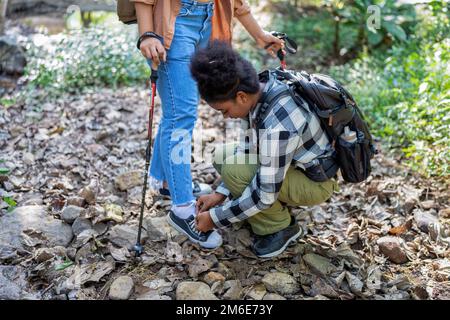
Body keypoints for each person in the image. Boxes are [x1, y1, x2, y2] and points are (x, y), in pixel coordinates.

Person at [132, 0, 284, 249]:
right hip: (176, 19)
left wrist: (260, 35)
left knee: (175, 110)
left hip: (211, 19)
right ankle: (182, 209)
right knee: (181, 114)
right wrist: (147, 33)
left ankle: (164, 181)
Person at [191, 42, 339, 258]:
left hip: (317, 182)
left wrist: (215, 218)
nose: (226, 117)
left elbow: (264, 195)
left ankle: (280, 228)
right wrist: (220, 194)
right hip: (291, 166)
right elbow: (248, 148)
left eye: (224, 110)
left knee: (235, 170)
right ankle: (272, 212)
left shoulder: (279, 123)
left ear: (240, 96)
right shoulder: (261, 90)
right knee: (223, 156)